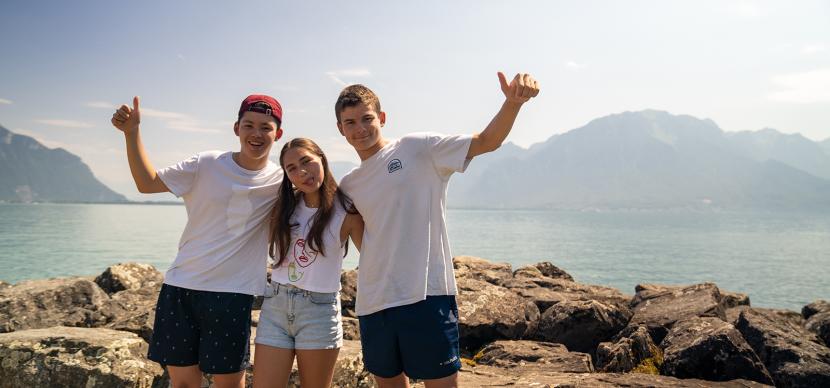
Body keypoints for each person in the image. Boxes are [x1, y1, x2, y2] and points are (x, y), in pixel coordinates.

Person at [335, 72, 539, 387]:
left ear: (383, 117)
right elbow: (363, 237)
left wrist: (512, 104)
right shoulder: (349, 183)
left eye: (366, 118)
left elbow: (487, 142)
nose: (360, 128)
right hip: (374, 301)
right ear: (341, 129)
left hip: (426, 295)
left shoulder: (419, 148)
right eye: (350, 122)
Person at [111, 94, 285, 388]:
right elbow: (146, 183)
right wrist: (132, 133)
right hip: (181, 288)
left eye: (265, 127)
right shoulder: (206, 163)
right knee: (183, 383)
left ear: (277, 134)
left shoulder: (282, 181)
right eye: (249, 125)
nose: (256, 134)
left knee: (229, 383)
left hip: (233, 294)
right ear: (236, 128)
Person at [252, 138, 364, 388]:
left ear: (322, 159)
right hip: (276, 308)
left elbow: (374, 257)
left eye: (306, 161)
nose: (302, 172)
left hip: (319, 310)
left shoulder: (348, 211)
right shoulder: (283, 207)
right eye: (291, 168)